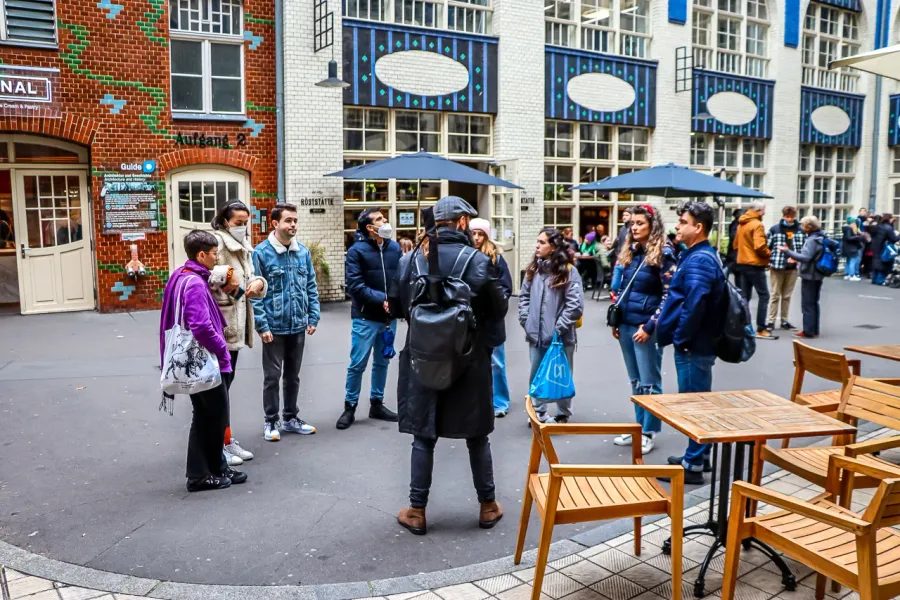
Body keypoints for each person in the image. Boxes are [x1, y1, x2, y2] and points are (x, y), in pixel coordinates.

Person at [391, 196, 508, 536]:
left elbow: (398, 306)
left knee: (423, 437)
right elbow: (497, 310)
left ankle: (416, 510)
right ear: (459, 223)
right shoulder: (477, 260)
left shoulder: (410, 259)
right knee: (477, 435)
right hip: (467, 358)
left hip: (423, 356)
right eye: (468, 221)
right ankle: (487, 506)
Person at [159, 230, 247, 492]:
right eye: (213, 254)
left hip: (190, 359)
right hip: (203, 359)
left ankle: (216, 467)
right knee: (213, 415)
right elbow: (201, 326)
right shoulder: (196, 283)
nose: (216, 258)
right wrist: (222, 351)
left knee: (208, 414)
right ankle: (199, 475)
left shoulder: (181, 274)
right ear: (201, 255)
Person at [656, 201, 725, 486]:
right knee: (697, 401)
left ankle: (693, 463)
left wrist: (681, 337)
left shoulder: (699, 259)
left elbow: (695, 302)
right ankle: (698, 452)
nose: (677, 226)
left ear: (698, 228)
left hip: (695, 344)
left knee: (694, 404)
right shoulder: (698, 255)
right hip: (697, 342)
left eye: (683, 222)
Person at [610, 205, 676, 456]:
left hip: (646, 327)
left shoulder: (664, 253)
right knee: (636, 380)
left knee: (650, 382)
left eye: (640, 223)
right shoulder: (632, 250)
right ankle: (639, 427)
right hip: (627, 323)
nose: (634, 227)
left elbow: (670, 296)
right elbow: (624, 288)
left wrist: (650, 325)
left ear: (652, 225)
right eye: (632, 224)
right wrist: (617, 320)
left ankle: (650, 431)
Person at [251, 204, 320, 441]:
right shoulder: (261, 253)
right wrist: (262, 325)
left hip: (298, 325)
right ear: (275, 224)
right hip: (274, 326)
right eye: (288, 220)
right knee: (272, 377)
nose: (293, 225)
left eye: (295, 221)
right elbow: (256, 295)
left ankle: (290, 418)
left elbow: (311, 285)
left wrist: (313, 315)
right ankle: (271, 421)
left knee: (293, 376)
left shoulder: (303, 252)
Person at [210, 202, 267, 465]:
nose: (243, 227)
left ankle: (225, 440)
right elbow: (205, 273)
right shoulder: (216, 242)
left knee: (225, 387)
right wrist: (231, 279)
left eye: (246, 221)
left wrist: (257, 282)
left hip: (236, 324)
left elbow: (252, 276)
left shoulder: (244, 245)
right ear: (223, 222)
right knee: (219, 389)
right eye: (237, 222)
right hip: (222, 325)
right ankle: (219, 443)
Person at [337, 207, 402, 430]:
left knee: (382, 361)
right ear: (369, 227)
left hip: (388, 318)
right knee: (358, 363)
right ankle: (350, 406)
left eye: (384, 218)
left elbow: (401, 279)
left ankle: (377, 403)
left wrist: (396, 300)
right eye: (380, 220)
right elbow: (355, 286)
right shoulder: (357, 251)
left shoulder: (395, 248)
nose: (385, 222)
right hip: (365, 317)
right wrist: (383, 298)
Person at [518, 228, 585, 424]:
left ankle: (563, 413)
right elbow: (523, 297)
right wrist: (526, 320)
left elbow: (575, 305)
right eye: (537, 241)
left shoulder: (569, 272)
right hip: (536, 335)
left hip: (561, 337)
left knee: (562, 373)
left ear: (553, 247)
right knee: (536, 373)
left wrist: (558, 328)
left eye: (542, 242)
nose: (537, 245)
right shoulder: (533, 270)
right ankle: (538, 413)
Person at [470, 218, 513, 418]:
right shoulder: (466, 255)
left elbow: (506, 288)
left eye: (481, 234)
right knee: (473, 362)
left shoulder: (496, 258)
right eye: (473, 233)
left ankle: (500, 402)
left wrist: (496, 307)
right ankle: (478, 400)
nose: (477, 238)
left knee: (497, 362)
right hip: (471, 319)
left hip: (492, 320)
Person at [780, 216, 827, 339]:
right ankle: (814, 329)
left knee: (807, 304)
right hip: (818, 273)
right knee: (814, 303)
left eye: (803, 225)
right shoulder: (821, 237)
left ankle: (808, 331)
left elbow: (806, 257)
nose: (801, 227)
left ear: (809, 227)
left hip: (809, 274)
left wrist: (787, 251)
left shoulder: (811, 240)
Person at [734, 201, 776, 340]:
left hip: (742, 263)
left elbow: (735, 244)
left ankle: (745, 326)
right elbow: (760, 246)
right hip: (755, 264)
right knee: (764, 296)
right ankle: (761, 328)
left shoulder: (742, 223)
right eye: (763, 210)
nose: (764, 213)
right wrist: (769, 253)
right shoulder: (757, 225)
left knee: (745, 296)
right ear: (758, 210)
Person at [765, 206, 804, 332]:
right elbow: (768, 246)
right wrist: (768, 261)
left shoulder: (800, 229)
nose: (790, 219)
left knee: (787, 295)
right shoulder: (775, 229)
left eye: (792, 217)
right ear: (783, 216)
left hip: (793, 266)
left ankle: (784, 320)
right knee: (775, 294)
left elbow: (803, 247)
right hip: (777, 265)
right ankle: (771, 320)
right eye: (787, 217)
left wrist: (797, 259)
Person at [870, 213, 900, 286]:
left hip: (875, 246)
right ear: (889, 219)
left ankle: (874, 279)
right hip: (884, 248)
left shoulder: (878, 226)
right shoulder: (888, 228)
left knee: (875, 262)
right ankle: (880, 280)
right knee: (884, 263)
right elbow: (894, 239)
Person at [841, 215, 865, 282]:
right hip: (852, 247)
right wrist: (857, 237)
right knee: (853, 261)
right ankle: (852, 275)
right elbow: (848, 238)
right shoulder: (849, 229)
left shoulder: (845, 228)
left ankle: (848, 274)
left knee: (849, 261)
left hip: (847, 248)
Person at [724, 208, 743, 283]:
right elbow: (733, 237)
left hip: (734, 253)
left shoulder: (735, 224)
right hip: (735, 254)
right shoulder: (736, 224)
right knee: (739, 276)